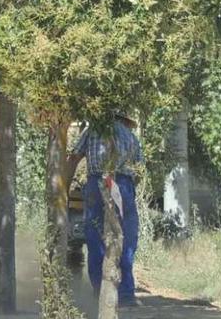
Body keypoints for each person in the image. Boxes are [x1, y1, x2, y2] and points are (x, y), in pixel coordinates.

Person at [72, 112, 143, 307]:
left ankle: (99, 293)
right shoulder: (131, 137)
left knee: (95, 237)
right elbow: (139, 172)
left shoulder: (92, 131)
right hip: (124, 185)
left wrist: (62, 186)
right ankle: (126, 295)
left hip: (97, 183)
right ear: (125, 119)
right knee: (126, 239)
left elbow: (74, 157)